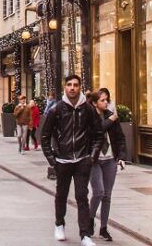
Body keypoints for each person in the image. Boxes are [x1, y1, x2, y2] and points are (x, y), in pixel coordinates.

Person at [40, 74, 104, 245]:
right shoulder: (57, 109)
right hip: (62, 161)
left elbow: (99, 135)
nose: (72, 88)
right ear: (65, 88)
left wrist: (92, 157)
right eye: (69, 85)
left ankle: (85, 235)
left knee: (82, 196)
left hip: (82, 160)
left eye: (76, 85)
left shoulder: (88, 109)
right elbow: (44, 136)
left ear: (80, 87)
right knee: (61, 195)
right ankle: (59, 224)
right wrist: (53, 161)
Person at [89, 88, 127, 242]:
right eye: (102, 100)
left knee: (107, 195)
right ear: (94, 103)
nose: (106, 103)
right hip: (94, 160)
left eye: (107, 100)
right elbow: (96, 131)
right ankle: (90, 219)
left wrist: (122, 157)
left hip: (110, 160)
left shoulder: (112, 117)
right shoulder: (89, 117)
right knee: (98, 192)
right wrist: (110, 120)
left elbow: (120, 139)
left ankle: (103, 228)